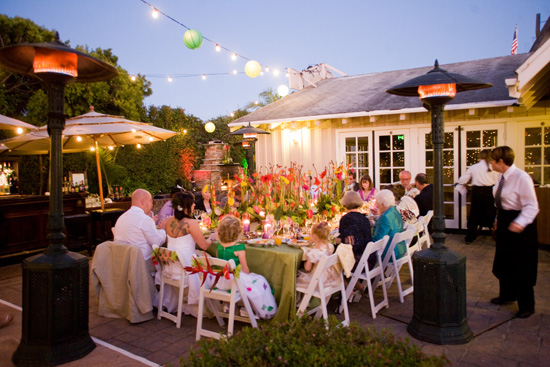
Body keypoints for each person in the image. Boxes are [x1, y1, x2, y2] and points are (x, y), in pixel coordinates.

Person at [490, 146, 539, 319]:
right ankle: (507, 295)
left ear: (500, 161)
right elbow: (500, 201)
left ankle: (527, 305)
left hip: (521, 226)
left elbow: (532, 206)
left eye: (492, 160)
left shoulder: (522, 178)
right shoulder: (501, 177)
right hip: (505, 221)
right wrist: (498, 219)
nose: (490, 163)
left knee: (522, 265)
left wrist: (519, 223)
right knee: (504, 260)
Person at [159, 191, 217, 316]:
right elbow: (204, 246)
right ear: (186, 206)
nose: (194, 206)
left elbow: (170, 243)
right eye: (192, 204)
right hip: (187, 269)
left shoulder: (168, 221)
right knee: (210, 260)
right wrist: (213, 236)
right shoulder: (191, 223)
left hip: (171, 267)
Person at [215, 215, 277, 319]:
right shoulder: (239, 248)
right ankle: (247, 309)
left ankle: (228, 305)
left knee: (248, 281)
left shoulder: (218, 246)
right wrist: (248, 276)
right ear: (237, 232)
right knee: (259, 281)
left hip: (220, 281)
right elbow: (245, 269)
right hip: (234, 282)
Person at [113, 189, 167, 271]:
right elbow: (157, 242)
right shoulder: (144, 219)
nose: (151, 205)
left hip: (122, 262)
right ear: (143, 202)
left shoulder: (122, 217)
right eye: (150, 201)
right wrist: (163, 229)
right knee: (168, 261)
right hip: (142, 262)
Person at [457, 149, 499, 243]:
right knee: (491, 212)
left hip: (477, 192)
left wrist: (466, 184)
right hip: (490, 192)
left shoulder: (474, 167)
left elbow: (462, 180)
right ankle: (497, 234)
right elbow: (498, 182)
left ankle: (470, 237)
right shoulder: (493, 167)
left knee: (474, 214)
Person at [297, 221, 339, 288]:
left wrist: (307, 258)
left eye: (310, 233)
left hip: (318, 279)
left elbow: (307, 268)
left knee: (297, 278)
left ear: (314, 236)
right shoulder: (330, 246)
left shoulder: (314, 253)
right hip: (328, 276)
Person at [336, 191, 372, 269]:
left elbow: (346, 242)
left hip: (357, 259)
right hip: (369, 257)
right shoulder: (364, 218)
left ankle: (347, 281)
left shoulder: (346, 219)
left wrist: (334, 240)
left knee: (332, 257)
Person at [372, 189, 406, 263]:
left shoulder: (384, 217)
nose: (376, 206)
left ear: (383, 204)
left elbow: (377, 240)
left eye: (377, 204)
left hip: (390, 253)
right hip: (400, 249)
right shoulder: (394, 211)